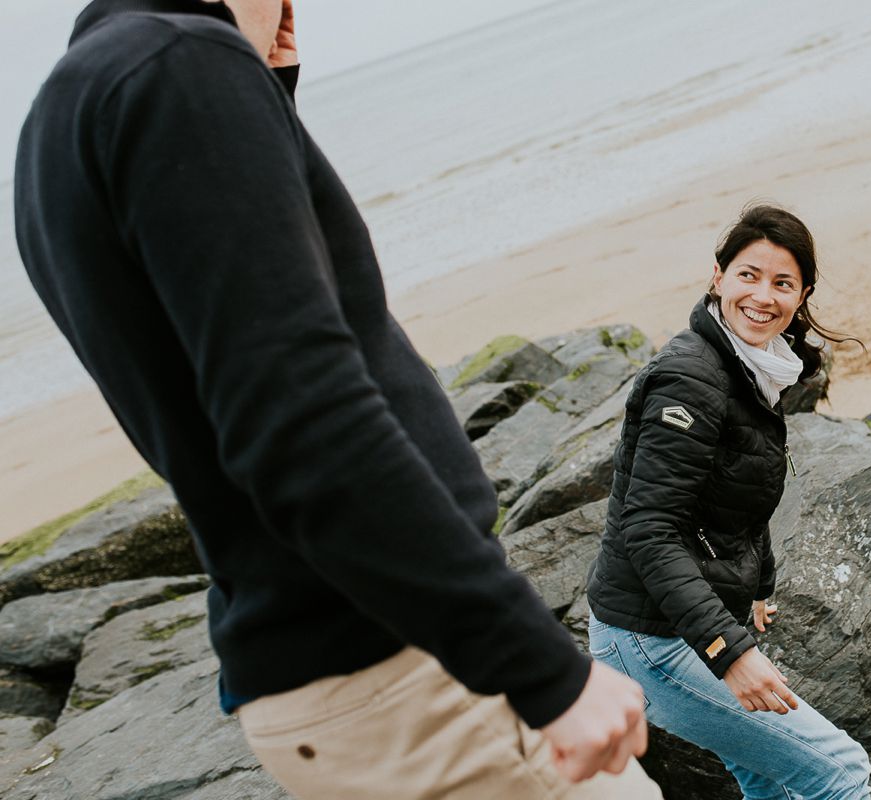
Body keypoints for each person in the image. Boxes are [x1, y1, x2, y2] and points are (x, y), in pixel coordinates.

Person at [14, 1, 662, 797]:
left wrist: (265, 99)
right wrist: (539, 669)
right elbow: (300, 417)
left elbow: (218, 359)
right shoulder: (178, 70)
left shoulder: (71, 107)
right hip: (402, 673)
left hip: (332, 672)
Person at [586, 204, 871, 799]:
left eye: (782, 283)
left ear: (803, 294)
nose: (763, 296)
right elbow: (649, 529)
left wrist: (759, 582)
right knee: (839, 773)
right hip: (649, 635)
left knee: (770, 782)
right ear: (718, 277)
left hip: (674, 622)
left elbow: (736, 503)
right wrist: (730, 651)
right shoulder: (692, 378)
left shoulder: (751, 370)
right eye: (749, 275)